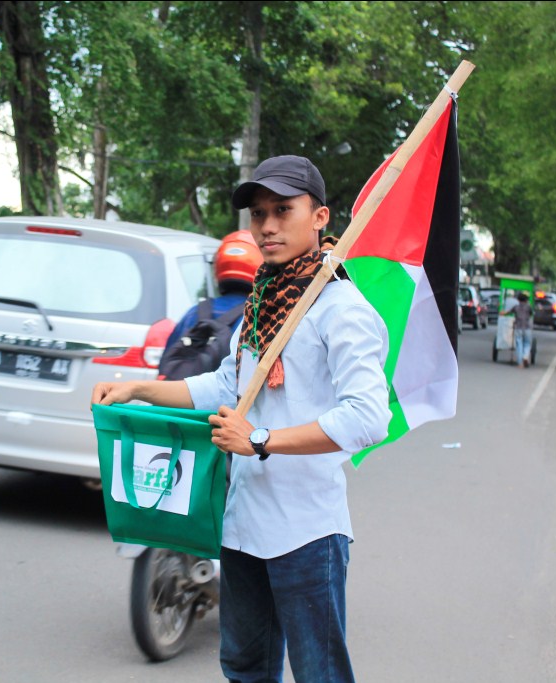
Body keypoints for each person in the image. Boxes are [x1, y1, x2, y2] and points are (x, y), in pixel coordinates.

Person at [93, 154, 391, 683]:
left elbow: (368, 418)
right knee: (245, 669)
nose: (268, 226)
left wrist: (258, 439)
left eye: (283, 210)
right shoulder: (262, 303)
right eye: (258, 214)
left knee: (320, 673)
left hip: (307, 531)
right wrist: (140, 388)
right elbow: (227, 387)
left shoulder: (343, 309)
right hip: (243, 527)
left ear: (320, 218)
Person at [158, 230, 262, 378]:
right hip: (225, 400)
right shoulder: (259, 318)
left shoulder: (194, 313)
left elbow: (166, 362)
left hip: (181, 397)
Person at [505, 292, 534, 367]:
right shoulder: (528, 307)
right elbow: (531, 314)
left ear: (518, 300)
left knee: (519, 344)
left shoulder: (516, 307)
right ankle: (525, 357)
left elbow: (508, 312)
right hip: (527, 327)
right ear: (526, 300)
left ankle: (520, 362)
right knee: (527, 344)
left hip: (518, 327)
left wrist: (503, 313)